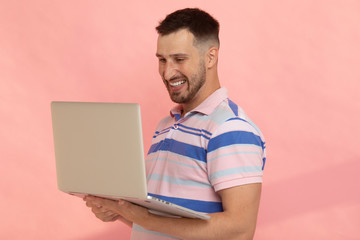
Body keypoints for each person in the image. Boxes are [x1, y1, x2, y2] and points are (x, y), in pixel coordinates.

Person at [84, 8, 266, 240]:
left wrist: (147, 219)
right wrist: (119, 211)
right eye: (162, 60)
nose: (168, 72)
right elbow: (159, 223)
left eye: (179, 59)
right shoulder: (165, 126)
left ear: (210, 57)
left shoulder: (230, 129)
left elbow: (240, 229)